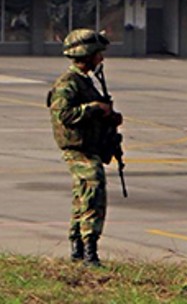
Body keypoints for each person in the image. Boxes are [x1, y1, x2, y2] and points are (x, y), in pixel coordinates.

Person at [47, 28, 122, 266]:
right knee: (93, 192)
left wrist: (109, 117)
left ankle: (79, 249)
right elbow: (64, 115)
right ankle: (89, 251)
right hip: (78, 149)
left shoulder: (85, 82)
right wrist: (95, 108)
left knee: (83, 196)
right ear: (87, 54)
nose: (101, 58)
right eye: (98, 53)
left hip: (90, 148)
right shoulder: (68, 83)